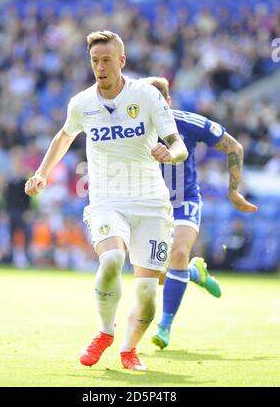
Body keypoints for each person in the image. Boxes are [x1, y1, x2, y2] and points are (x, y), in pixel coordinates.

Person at [24, 31, 188, 371]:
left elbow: (179, 145)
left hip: (151, 204)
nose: (100, 67)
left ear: (122, 61)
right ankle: (104, 332)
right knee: (112, 258)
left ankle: (130, 350)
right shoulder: (82, 103)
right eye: (95, 61)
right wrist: (42, 173)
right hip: (106, 200)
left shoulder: (146, 96)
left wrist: (168, 153)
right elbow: (65, 135)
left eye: (107, 60)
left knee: (146, 291)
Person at [143, 77, 258, 349]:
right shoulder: (132, 129)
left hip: (184, 201)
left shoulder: (189, 123)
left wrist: (233, 191)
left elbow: (233, 146)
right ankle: (195, 273)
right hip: (149, 206)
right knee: (156, 276)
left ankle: (165, 326)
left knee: (179, 253)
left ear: (168, 102)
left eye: (159, 102)